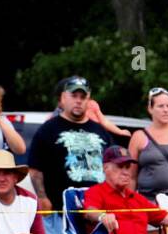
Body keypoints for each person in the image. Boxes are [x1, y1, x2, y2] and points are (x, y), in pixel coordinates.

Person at [27, 76, 111, 211]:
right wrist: (42, 197)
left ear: (88, 100)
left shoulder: (100, 131)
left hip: (98, 210)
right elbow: (35, 169)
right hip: (60, 210)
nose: (78, 101)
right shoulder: (48, 130)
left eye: (82, 97)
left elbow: (113, 167)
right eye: (74, 96)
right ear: (63, 98)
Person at [127, 88, 168, 198]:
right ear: (150, 109)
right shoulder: (139, 137)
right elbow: (131, 176)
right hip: (148, 201)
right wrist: (129, 203)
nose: (166, 110)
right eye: (161, 106)